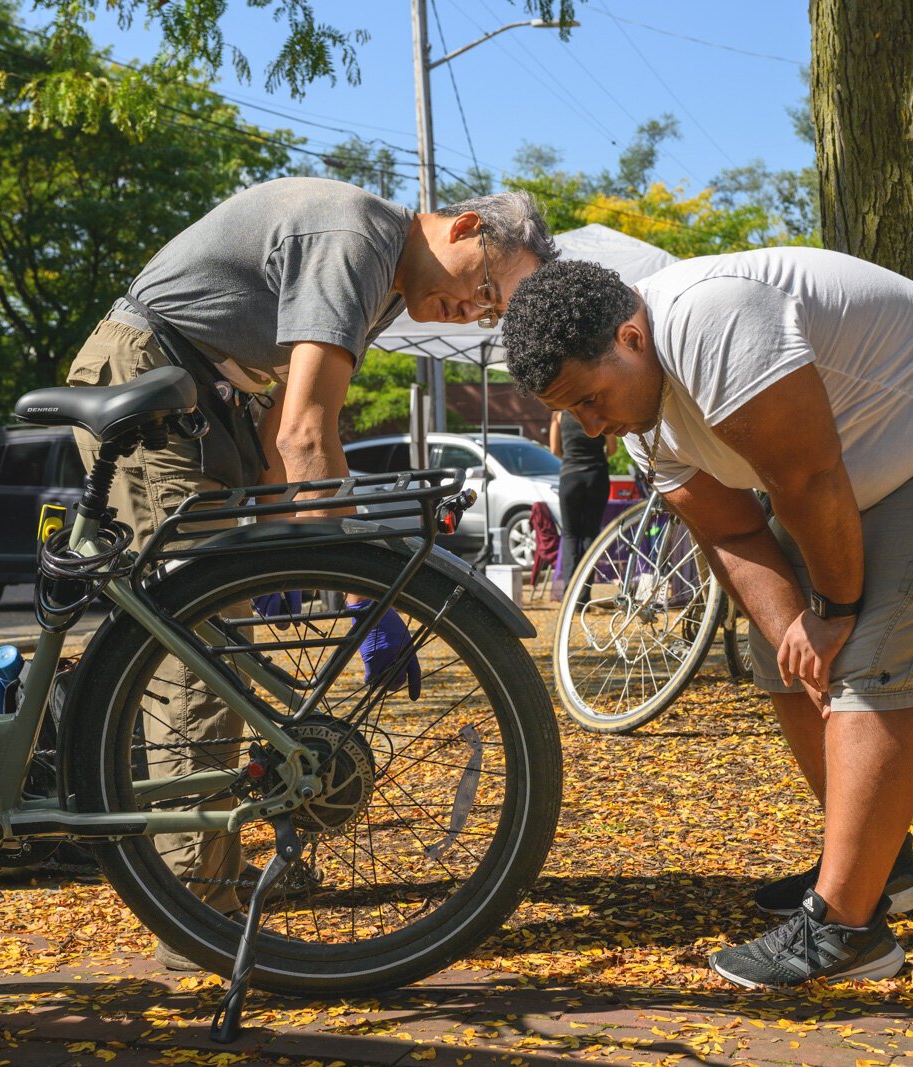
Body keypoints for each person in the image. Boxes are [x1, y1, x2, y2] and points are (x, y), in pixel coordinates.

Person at [500, 250, 913, 988]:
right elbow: (733, 531)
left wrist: (832, 611)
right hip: (874, 472)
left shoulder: (712, 320)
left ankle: (848, 931)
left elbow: (806, 476)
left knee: (871, 667)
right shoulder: (642, 425)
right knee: (784, 656)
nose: (591, 425)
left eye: (590, 397)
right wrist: (798, 628)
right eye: (572, 410)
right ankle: (878, 865)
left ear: (631, 338)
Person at [66, 178, 557, 969]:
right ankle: (195, 906)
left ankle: (211, 865)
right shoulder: (357, 237)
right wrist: (372, 593)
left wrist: (290, 555)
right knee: (194, 647)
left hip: (208, 396)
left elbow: (274, 431)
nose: (476, 313)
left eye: (490, 314)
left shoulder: (389, 285)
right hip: (149, 376)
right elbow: (305, 436)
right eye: (487, 289)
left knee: (223, 639)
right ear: (464, 227)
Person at [548, 410, 615, 603]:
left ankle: (570, 595)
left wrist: (572, 458)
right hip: (597, 475)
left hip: (570, 475)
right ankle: (584, 595)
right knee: (590, 534)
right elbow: (612, 449)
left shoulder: (559, 414)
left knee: (569, 534)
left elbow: (554, 449)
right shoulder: (601, 412)